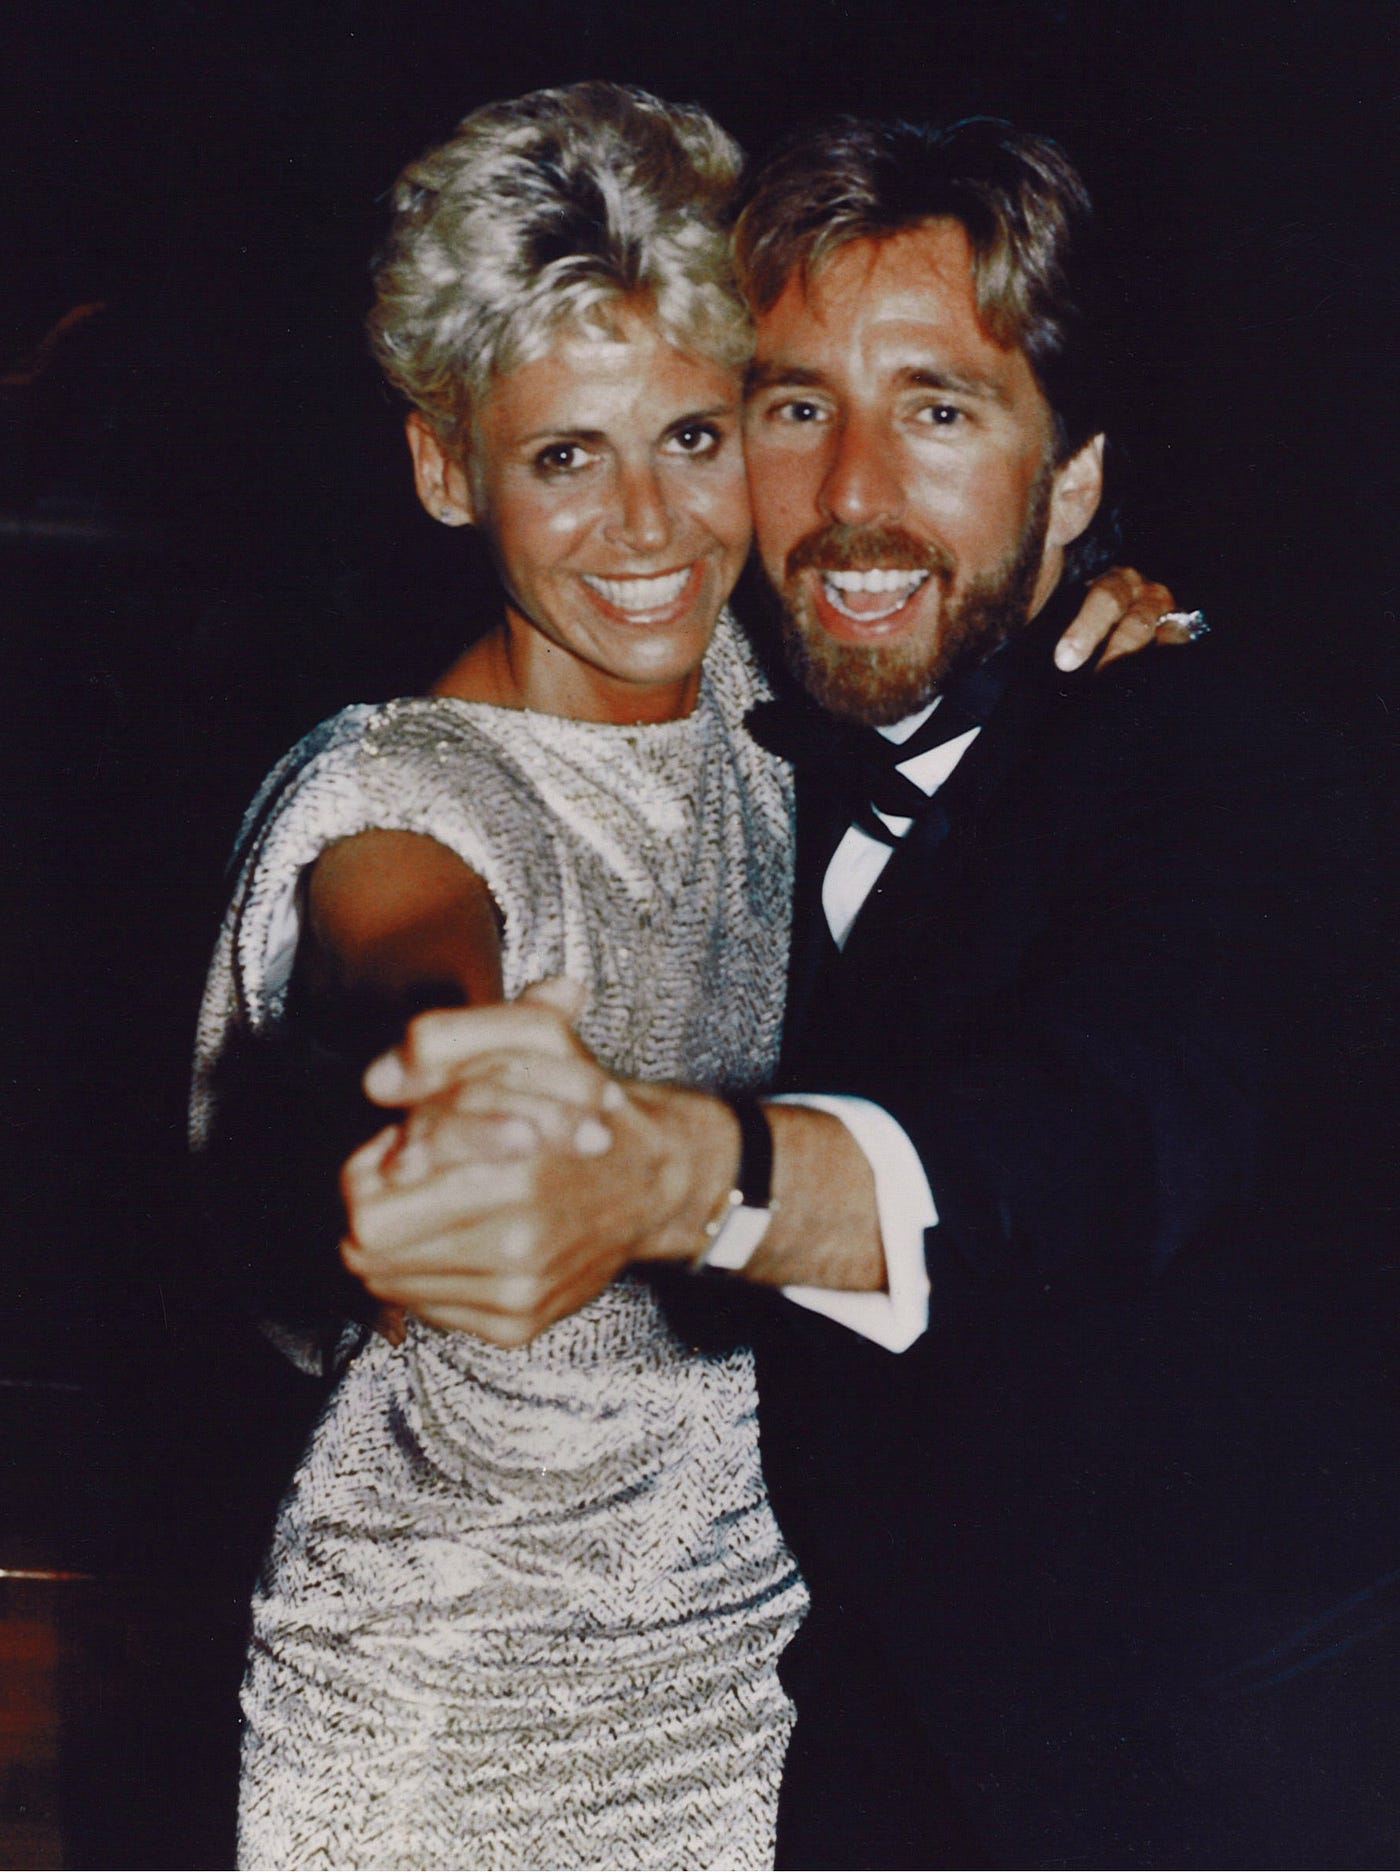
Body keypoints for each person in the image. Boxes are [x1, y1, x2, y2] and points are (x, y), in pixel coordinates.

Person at [342, 117, 1398, 1869]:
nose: (848, 493)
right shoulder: (750, 736)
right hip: (818, 1761)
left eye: (938, 409)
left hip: (1208, 1785)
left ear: (1072, 480)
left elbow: (1104, 1128)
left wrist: (689, 1178)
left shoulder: (1223, 762)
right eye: (790, 406)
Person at [191, 87, 1179, 1869]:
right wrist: (456, 1080)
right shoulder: (404, 794)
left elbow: (954, 624)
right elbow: (402, 950)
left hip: (746, 1677)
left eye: (695, 435)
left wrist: (1088, 600)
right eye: (564, 457)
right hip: (449, 1695)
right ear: (447, 470)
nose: (647, 525)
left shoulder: (762, 691)